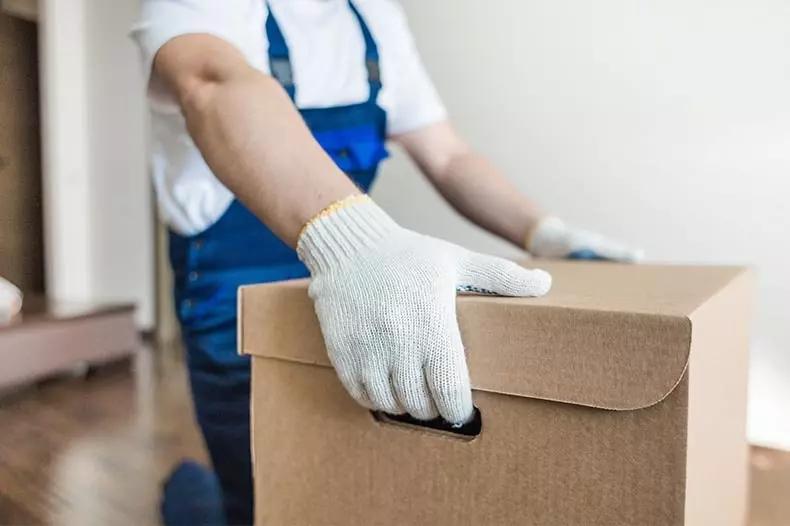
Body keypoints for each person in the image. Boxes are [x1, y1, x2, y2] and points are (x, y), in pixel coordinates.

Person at [131, 1, 641, 523]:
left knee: (349, 483)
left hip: (363, 289)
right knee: (261, 495)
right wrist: (350, 241)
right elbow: (211, 81)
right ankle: (194, 493)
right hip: (235, 291)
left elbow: (446, 155)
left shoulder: (373, 15)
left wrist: (542, 231)